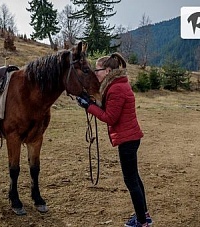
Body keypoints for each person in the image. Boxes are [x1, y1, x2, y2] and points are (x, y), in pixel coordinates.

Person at [76, 53, 152, 227]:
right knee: (135, 178)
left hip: (128, 140)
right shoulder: (116, 84)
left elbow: (110, 117)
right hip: (130, 137)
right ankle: (144, 215)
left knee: (131, 181)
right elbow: (109, 107)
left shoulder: (116, 88)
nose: (96, 73)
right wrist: (91, 103)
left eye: (98, 70)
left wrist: (89, 107)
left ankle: (142, 222)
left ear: (108, 70)